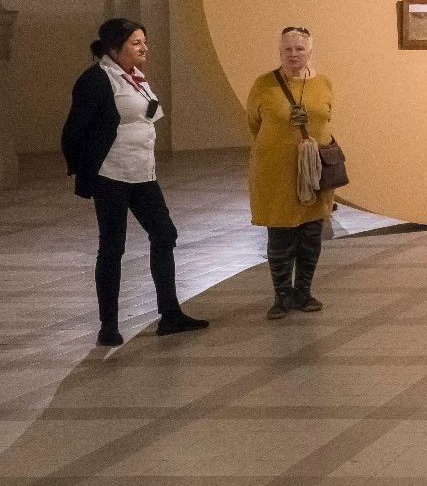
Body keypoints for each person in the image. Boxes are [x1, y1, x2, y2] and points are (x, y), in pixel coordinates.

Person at [60, 18, 209, 345]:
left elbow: (145, 116)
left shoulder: (136, 78)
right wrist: (80, 168)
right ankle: (108, 326)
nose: (144, 48)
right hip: (111, 175)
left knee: (164, 234)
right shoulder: (97, 80)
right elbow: (74, 131)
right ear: (115, 48)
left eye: (144, 41)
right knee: (113, 247)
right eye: (136, 43)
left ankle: (169, 314)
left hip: (144, 174)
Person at [246, 27, 338, 319]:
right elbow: (253, 123)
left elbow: (327, 119)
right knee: (281, 234)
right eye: (287, 49)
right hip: (275, 172)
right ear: (280, 51)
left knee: (311, 233)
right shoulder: (263, 85)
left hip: (315, 173)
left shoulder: (324, 83)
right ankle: (282, 295)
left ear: (310, 51)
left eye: (300, 49)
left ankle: (304, 292)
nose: (293, 54)